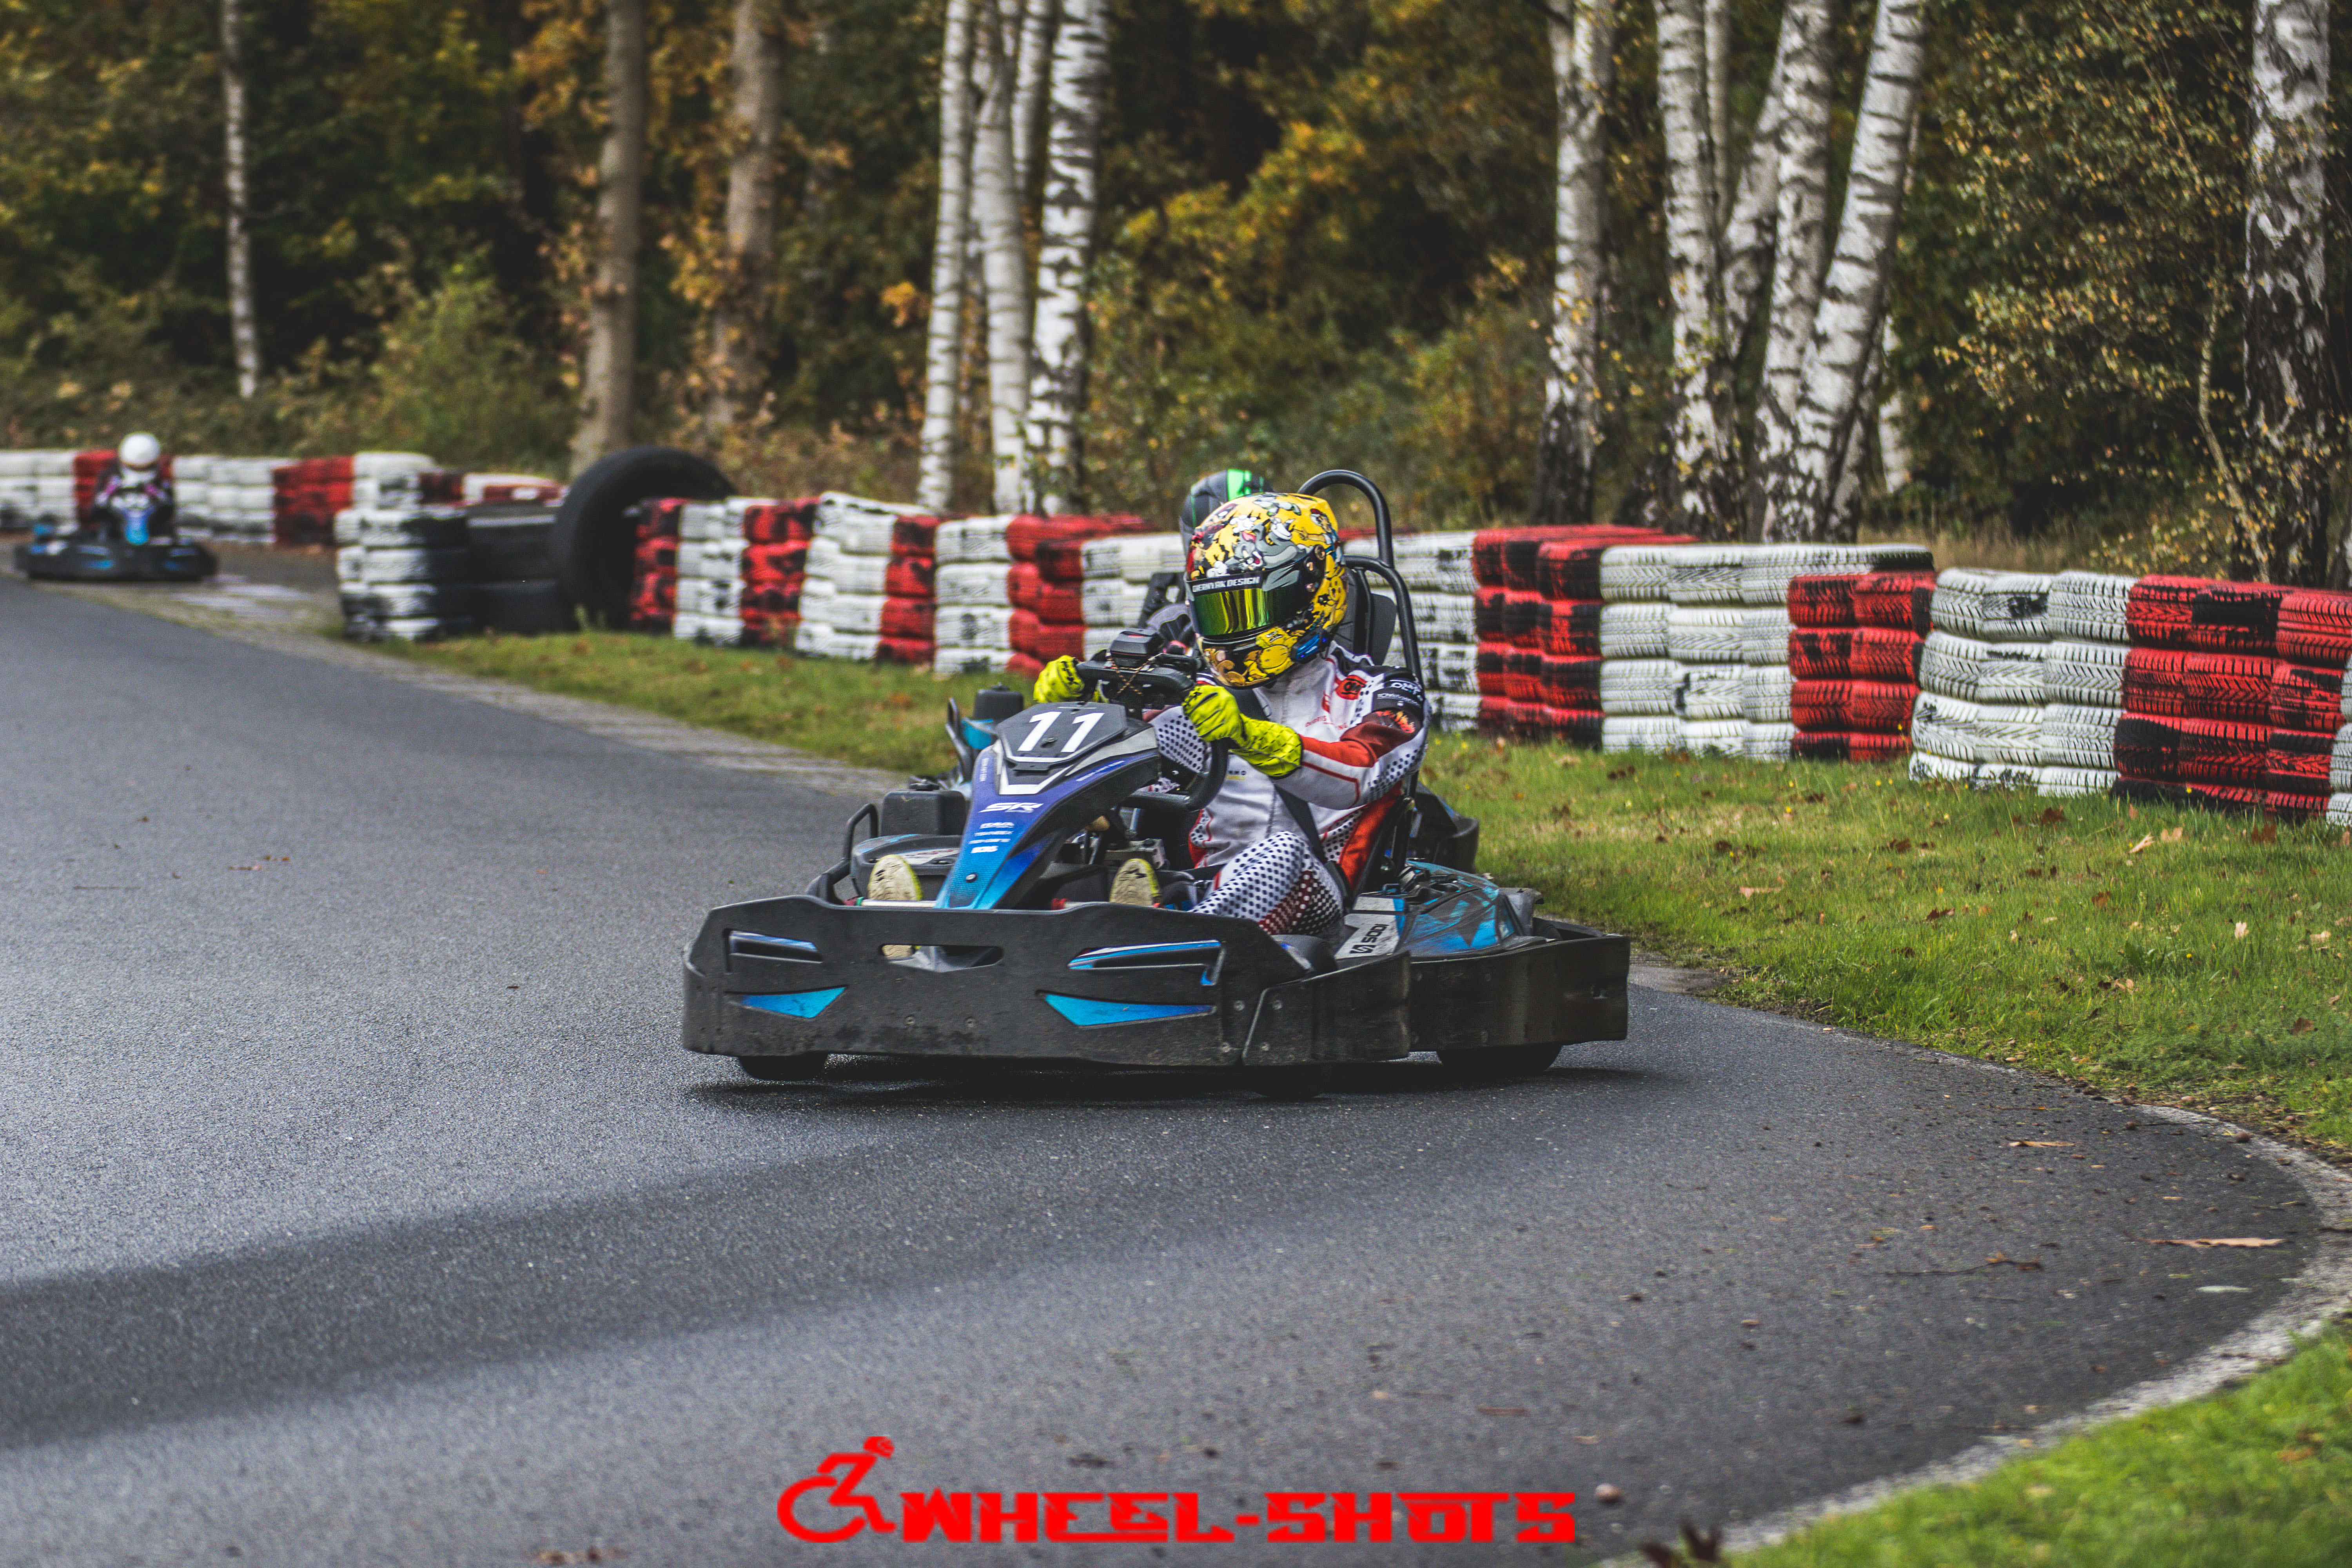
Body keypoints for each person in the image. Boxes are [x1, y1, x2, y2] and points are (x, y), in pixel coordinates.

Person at [1045, 492, 1426, 932]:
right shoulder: (1201, 690)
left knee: (1281, 854)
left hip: (1312, 889)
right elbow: (1141, 746)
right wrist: (1077, 711)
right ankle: (1031, 908)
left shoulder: (1383, 692)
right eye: (1219, 612)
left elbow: (1359, 774)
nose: (1231, 631)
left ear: (1306, 596)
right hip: (1198, 886)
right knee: (1116, 760)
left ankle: (1168, 943)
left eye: (1246, 609)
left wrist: (1249, 736)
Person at [91, 432, 176, 544]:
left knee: (167, 532)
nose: (139, 470)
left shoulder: (162, 483)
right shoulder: (109, 479)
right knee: (105, 529)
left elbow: (170, 510)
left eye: (145, 468)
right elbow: (95, 512)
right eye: (135, 467)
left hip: (153, 533)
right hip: (116, 536)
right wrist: (109, 494)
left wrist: (156, 494)